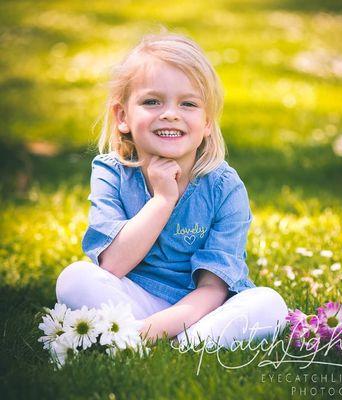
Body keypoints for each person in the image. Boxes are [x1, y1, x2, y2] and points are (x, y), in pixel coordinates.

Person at [56, 31, 288, 349]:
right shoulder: (111, 172)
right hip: (134, 299)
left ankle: (167, 342)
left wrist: (151, 330)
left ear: (207, 121)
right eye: (152, 101)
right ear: (122, 116)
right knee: (74, 278)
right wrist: (164, 200)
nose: (170, 113)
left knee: (269, 304)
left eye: (188, 103)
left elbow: (214, 288)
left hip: (202, 311)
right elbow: (112, 265)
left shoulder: (225, 188)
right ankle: (153, 339)